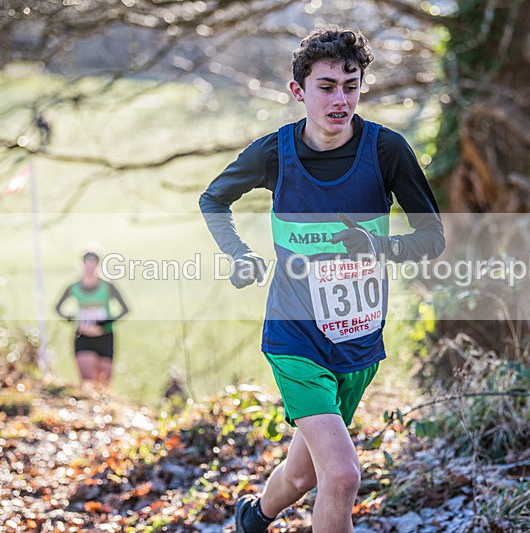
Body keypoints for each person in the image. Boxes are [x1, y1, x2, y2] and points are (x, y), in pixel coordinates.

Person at [200, 26, 445, 532]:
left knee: (303, 474)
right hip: (295, 336)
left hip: (357, 340)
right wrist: (239, 254)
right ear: (299, 91)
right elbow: (213, 199)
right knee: (343, 476)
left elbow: (432, 237)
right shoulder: (274, 153)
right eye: (327, 86)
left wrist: (382, 247)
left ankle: (253, 518)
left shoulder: (386, 151)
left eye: (351, 85)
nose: (340, 98)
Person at [55, 251, 129, 387]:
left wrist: (103, 326)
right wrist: (76, 323)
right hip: (83, 336)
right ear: (82, 264)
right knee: (88, 383)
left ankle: (102, 407)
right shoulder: (74, 287)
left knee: (103, 384)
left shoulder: (108, 287)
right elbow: (58, 308)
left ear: (98, 265)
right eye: (87, 263)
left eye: (93, 263)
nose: (90, 267)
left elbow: (125, 310)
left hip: (105, 336)